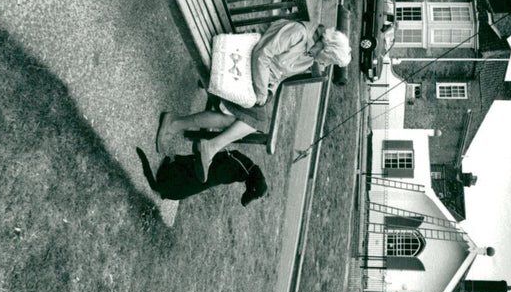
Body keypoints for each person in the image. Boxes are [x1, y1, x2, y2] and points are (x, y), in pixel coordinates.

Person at [155, 19, 352, 178]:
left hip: (254, 77)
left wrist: (269, 91)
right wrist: (260, 91)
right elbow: (261, 54)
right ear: (326, 49)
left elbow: (280, 74)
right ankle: (203, 142)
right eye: (330, 61)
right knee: (257, 120)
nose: (326, 66)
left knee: (239, 120)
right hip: (244, 59)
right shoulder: (298, 33)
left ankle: (180, 126)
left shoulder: (311, 55)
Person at [135, 145, 267, 205]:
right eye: (248, 189)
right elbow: (199, 164)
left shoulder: (243, 167)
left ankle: (166, 176)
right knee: (195, 178)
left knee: (192, 180)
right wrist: (178, 158)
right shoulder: (231, 170)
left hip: (169, 183)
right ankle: (166, 175)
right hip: (169, 181)